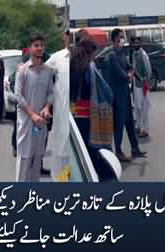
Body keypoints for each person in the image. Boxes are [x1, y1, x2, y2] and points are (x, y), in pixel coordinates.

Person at [71, 39, 116, 181]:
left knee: (78, 150)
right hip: (88, 114)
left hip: (74, 115)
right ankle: (105, 178)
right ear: (89, 52)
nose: (95, 56)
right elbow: (106, 92)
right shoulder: (90, 68)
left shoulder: (71, 65)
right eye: (94, 53)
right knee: (94, 150)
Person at [15, 34, 55, 182]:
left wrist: (47, 108)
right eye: (36, 45)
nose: (40, 48)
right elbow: (18, 96)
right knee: (24, 160)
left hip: (41, 122)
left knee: (37, 160)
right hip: (26, 123)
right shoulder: (23, 71)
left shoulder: (48, 70)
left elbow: (51, 92)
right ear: (30, 48)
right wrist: (32, 115)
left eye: (42, 45)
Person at [104, 29, 147, 162]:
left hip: (126, 96)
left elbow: (130, 68)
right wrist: (128, 75)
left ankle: (135, 149)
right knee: (119, 125)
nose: (123, 40)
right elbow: (121, 73)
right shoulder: (111, 55)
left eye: (123, 37)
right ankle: (118, 151)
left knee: (129, 123)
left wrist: (140, 78)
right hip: (117, 97)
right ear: (115, 39)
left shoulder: (122, 54)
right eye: (121, 37)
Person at [46, 30, 70, 182]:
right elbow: (41, 73)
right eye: (67, 33)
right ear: (64, 36)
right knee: (59, 152)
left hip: (77, 116)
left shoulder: (81, 60)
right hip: (61, 115)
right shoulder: (57, 58)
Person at [131, 37, 152, 138]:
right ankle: (138, 126)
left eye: (138, 43)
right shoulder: (134, 54)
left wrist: (146, 83)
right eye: (135, 43)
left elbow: (148, 71)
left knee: (144, 108)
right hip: (135, 85)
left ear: (140, 43)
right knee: (137, 107)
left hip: (142, 85)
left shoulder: (143, 55)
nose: (136, 44)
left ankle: (145, 129)